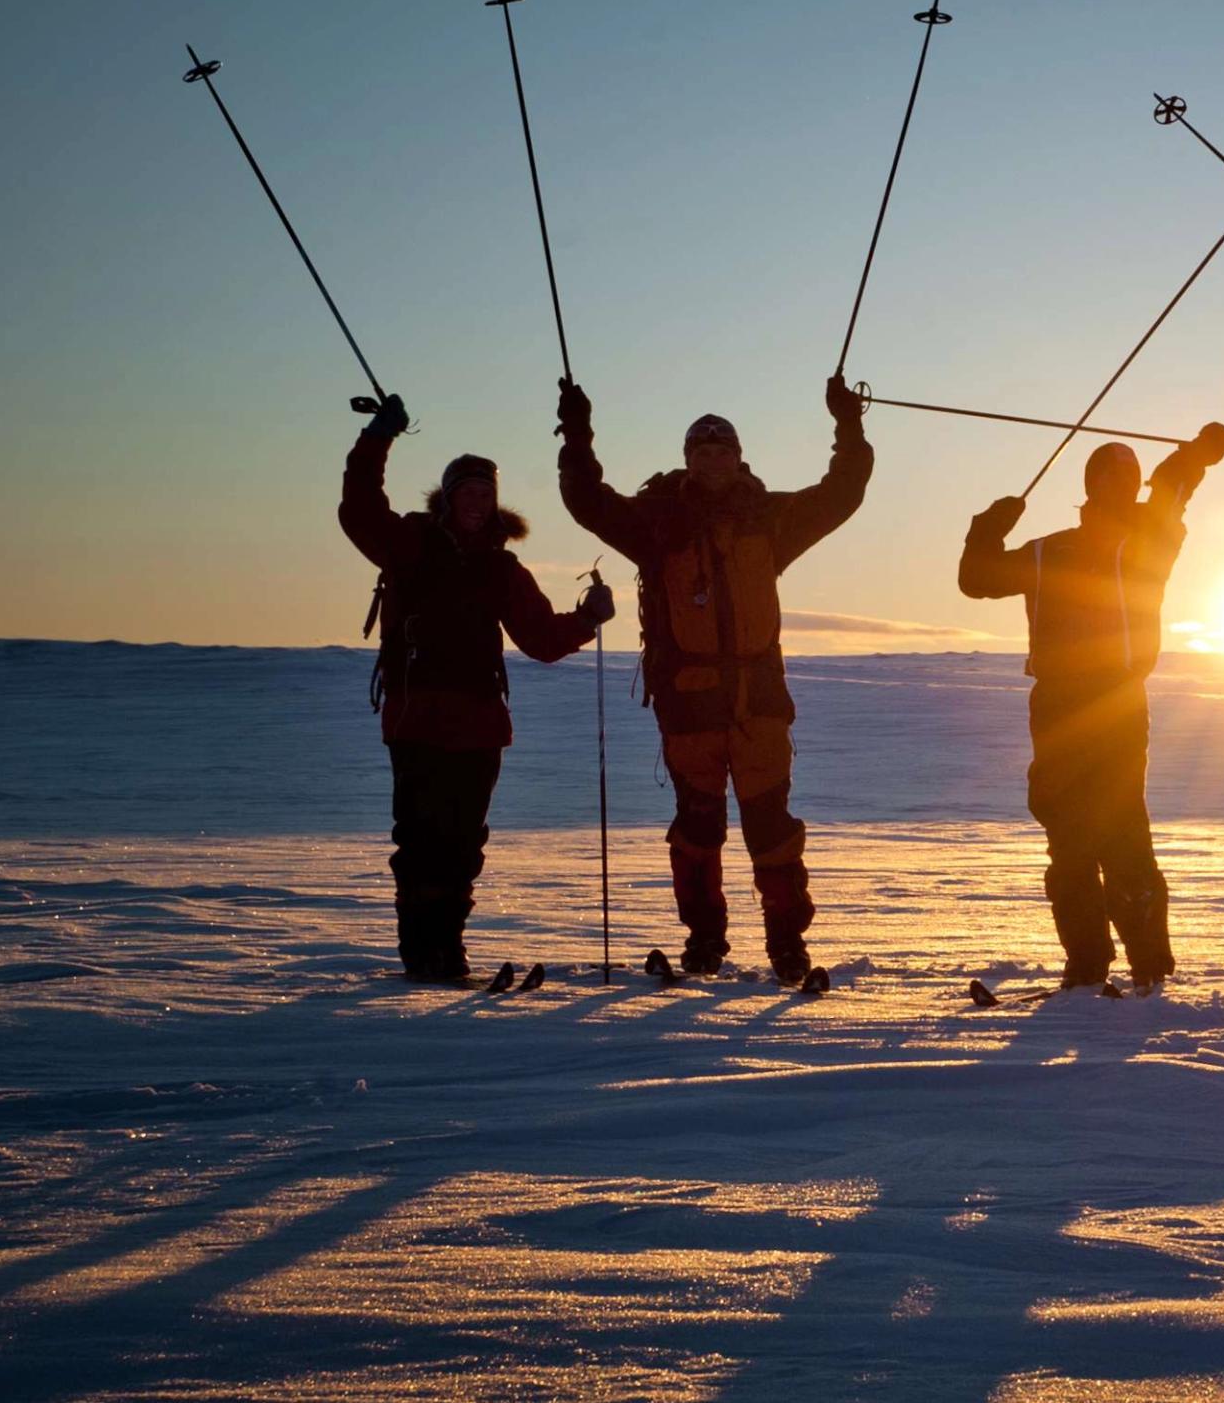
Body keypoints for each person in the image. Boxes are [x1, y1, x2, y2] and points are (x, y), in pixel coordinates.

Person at [557, 373, 872, 989]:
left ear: (738, 457)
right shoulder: (655, 523)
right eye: (701, 452)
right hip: (689, 705)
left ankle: (786, 945)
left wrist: (849, 425)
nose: (712, 461)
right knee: (697, 828)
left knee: (772, 829)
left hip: (759, 703)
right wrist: (576, 433)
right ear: (688, 461)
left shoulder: (772, 519)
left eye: (721, 450)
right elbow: (587, 501)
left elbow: (844, 490)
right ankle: (704, 941)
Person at [957, 421, 1224, 997]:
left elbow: (1172, 487)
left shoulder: (1148, 541)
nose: (1124, 487)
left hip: (1115, 700)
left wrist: (1199, 453)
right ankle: (1087, 964)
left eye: (1130, 478)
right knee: (1068, 837)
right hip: (1059, 704)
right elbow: (976, 579)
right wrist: (986, 530)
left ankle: (1147, 963)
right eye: (1113, 477)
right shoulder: (1048, 550)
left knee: (1122, 831)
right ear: (1092, 485)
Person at [338, 396, 611, 983]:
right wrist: (378, 436)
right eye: (466, 492)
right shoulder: (407, 546)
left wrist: (586, 621)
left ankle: (449, 952)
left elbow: (539, 637)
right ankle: (422, 955)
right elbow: (359, 508)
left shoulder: (502, 569)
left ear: (495, 504)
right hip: (416, 721)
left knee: (462, 846)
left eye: (485, 494)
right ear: (447, 499)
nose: (476, 503)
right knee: (419, 842)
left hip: (480, 725)